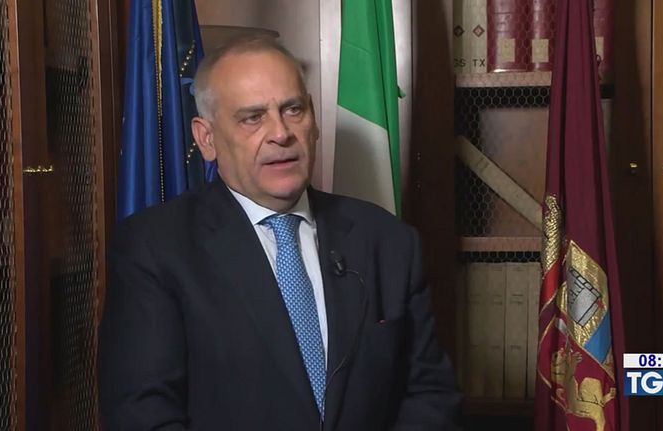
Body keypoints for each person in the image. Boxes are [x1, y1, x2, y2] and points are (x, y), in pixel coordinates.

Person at [97, 35, 461, 430]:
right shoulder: (154, 249)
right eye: (253, 117)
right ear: (207, 139)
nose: (280, 133)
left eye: (293, 109)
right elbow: (143, 416)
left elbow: (430, 395)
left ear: (313, 121)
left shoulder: (388, 241)